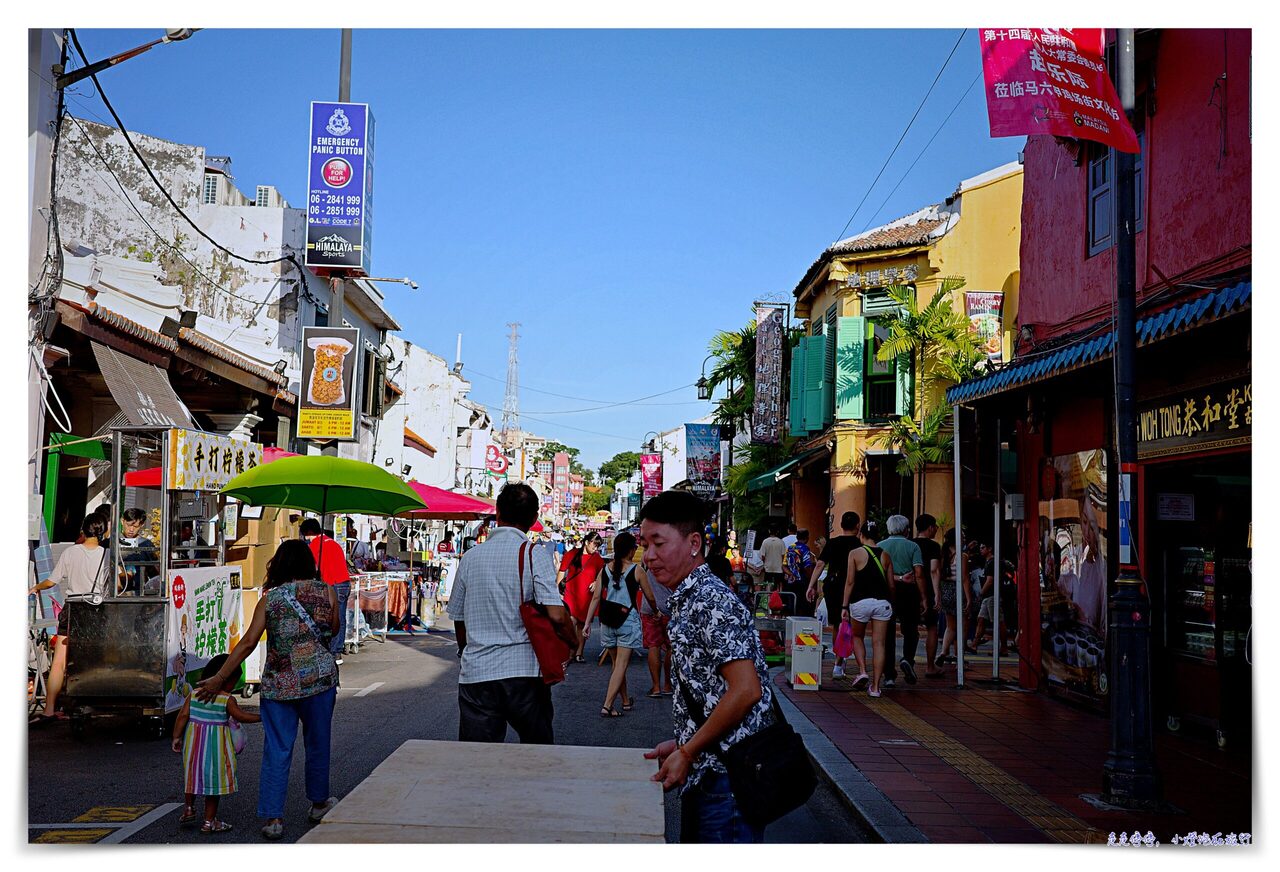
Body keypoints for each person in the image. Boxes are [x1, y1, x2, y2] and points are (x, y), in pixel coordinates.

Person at [639, 491, 773, 843]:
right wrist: (685, 741)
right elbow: (712, 690)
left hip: (728, 780)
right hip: (710, 772)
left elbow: (746, 690)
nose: (649, 557)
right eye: (644, 544)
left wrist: (688, 750)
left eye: (658, 543)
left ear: (694, 543)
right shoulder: (687, 598)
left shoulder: (710, 600)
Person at [196, 540, 340, 841]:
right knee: (318, 744)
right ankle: (318, 804)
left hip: (279, 685)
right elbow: (333, 630)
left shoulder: (271, 599)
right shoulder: (328, 591)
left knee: (277, 749)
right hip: (319, 682)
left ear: (280, 563)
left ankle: (274, 819)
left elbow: (248, 642)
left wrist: (219, 677)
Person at [447, 483, 579, 744]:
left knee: (476, 759)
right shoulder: (534, 554)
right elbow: (556, 614)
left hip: (478, 674)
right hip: (524, 672)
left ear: (497, 514)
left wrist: (466, 649)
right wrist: (573, 642)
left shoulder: (470, 557)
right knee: (536, 754)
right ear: (533, 519)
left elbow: (458, 618)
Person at [28, 512, 111, 725]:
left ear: (83, 530)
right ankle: (91, 704)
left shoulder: (70, 552)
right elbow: (115, 587)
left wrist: (35, 587)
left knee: (60, 662)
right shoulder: (107, 555)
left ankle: (49, 709)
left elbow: (52, 581)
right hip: (96, 610)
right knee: (93, 659)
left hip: (73, 608)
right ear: (103, 531)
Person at [173, 653, 260, 834]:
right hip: (215, 750)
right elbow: (240, 716)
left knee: (193, 778)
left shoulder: (195, 694)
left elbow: (182, 716)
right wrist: (262, 717)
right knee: (213, 786)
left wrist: (176, 737)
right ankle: (209, 821)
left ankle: (189, 808)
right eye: (233, 682)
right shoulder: (227, 700)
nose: (232, 686)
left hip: (193, 747)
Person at [583, 532, 658, 717]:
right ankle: (607, 705)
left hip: (608, 621)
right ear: (632, 550)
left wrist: (587, 623)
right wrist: (656, 611)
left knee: (618, 665)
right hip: (627, 621)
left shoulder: (605, 569)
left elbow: (595, 598)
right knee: (621, 665)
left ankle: (624, 701)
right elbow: (649, 596)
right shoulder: (637, 570)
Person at [842, 519, 895, 697]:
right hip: (882, 603)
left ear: (861, 535)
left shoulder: (855, 554)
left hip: (860, 602)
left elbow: (850, 582)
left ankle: (863, 670)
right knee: (879, 643)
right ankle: (876, 687)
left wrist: (844, 605)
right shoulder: (886, 555)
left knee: (857, 636)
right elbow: (891, 585)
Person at [808, 511, 860, 678]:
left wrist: (811, 585)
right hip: (856, 586)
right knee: (855, 624)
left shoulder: (833, 543)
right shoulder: (860, 544)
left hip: (834, 585)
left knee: (838, 623)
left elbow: (820, 564)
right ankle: (849, 662)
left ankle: (838, 663)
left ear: (841, 525)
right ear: (858, 526)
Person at [877, 515, 924, 686]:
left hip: (887, 592)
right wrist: (924, 598)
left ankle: (889, 675)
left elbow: (879, 573)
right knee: (911, 629)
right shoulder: (913, 546)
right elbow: (918, 574)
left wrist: (896, 578)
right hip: (909, 591)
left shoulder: (880, 547)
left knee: (888, 633)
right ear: (906, 529)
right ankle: (908, 660)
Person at [300, 518, 351, 665]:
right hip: (344, 583)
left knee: (329, 618)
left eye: (305, 535)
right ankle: (337, 652)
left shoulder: (315, 546)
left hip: (332, 584)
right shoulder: (332, 543)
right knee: (340, 617)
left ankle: (332, 650)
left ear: (309, 532)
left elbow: (312, 568)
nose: (305, 538)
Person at [557, 531, 605, 663]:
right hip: (571, 594)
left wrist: (596, 582)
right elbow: (562, 572)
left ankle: (579, 653)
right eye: (594, 545)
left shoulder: (597, 559)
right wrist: (555, 590)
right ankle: (569, 651)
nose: (595, 548)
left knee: (582, 625)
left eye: (597, 546)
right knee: (571, 622)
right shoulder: (571, 554)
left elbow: (602, 576)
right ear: (586, 542)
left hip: (586, 596)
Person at [937, 529, 970, 666]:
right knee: (962, 626)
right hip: (958, 590)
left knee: (950, 626)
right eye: (962, 536)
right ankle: (959, 659)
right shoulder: (962, 556)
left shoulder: (943, 555)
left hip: (945, 590)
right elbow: (964, 578)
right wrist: (969, 598)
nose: (964, 539)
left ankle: (944, 652)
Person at [118, 507, 158, 596]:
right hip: (117, 592)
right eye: (128, 525)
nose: (131, 530)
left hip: (139, 593)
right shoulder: (112, 542)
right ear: (122, 521)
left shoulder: (145, 544)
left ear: (142, 524)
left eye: (136, 526)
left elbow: (154, 572)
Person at [783, 529, 817, 617]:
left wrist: (791, 574)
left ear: (797, 537)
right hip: (802, 582)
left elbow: (783, 566)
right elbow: (807, 567)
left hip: (791, 582)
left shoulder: (790, 548)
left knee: (792, 604)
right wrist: (811, 582)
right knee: (803, 606)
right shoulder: (805, 549)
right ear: (807, 538)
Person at [758, 525, 786, 592]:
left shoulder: (765, 541)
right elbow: (784, 555)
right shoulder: (781, 542)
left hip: (768, 568)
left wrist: (765, 562)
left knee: (768, 585)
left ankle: (768, 599)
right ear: (777, 532)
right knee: (779, 585)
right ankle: (779, 599)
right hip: (779, 568)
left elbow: (762, 556)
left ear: (769, 531)